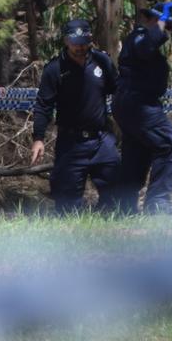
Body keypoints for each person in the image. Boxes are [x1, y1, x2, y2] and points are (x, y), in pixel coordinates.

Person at [31, 19, 121, 213]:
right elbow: (43, 106)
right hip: (71, 143)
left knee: (118, 198)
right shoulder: (54, 69)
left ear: (90, 40)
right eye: (75, 43)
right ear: (65, 41)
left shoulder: (102, 61)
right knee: (66, 207)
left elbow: (118, 91)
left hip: (101, 139)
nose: (80, 47)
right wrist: (38, 138)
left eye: (84, 42)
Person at [114, 0, 172, 214]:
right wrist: (163, 20)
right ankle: (157, 203)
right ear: (151, 19)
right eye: (163, 23)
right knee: (170, 147)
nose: (167, 30)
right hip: (139, 105)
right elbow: (146, 46)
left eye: (169, 27)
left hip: (133, 104)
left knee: (137, 152)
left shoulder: (143, 39)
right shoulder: (139, 37)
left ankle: (124, 207)